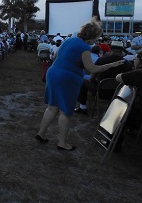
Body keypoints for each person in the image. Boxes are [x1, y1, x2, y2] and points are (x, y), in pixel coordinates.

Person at [36, 18, 125, 151]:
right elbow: (92, 69)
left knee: (52, 107)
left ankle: (41, 134)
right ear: (91, 36)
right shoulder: (85, 47)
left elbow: (55, 54)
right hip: (67, 79)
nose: (97, 40)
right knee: (65, 111)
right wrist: (111, 65)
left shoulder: (69, 40)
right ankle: (62, 143)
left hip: (53, 73)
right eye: (96, 37)